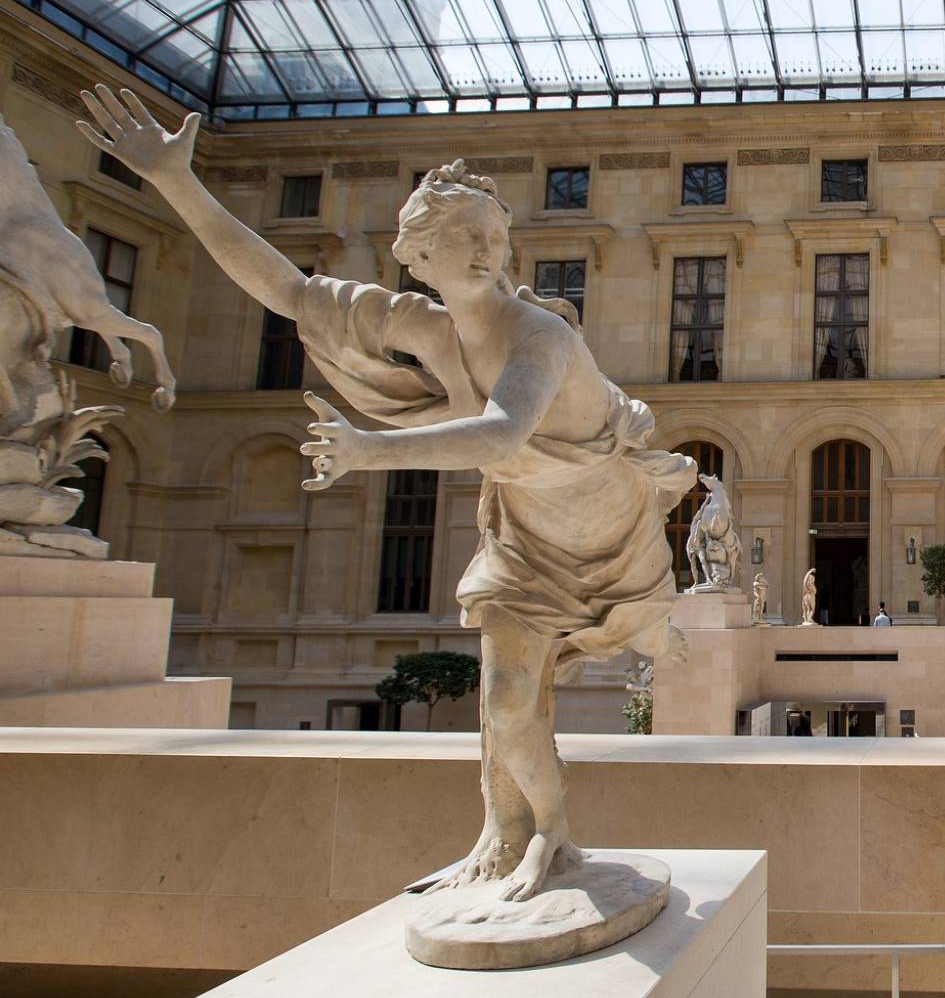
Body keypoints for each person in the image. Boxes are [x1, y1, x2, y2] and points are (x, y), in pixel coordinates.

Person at [76, 85, 697, 904]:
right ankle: (531, 833)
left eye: (494, 237)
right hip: (522, 536)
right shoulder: (425, 328)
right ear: (419, 254)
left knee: (623, 651)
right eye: (462, 238)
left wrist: (371, 449)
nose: (484, 252)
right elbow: (288, 291)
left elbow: (503, 436)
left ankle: (640, 657)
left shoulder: (540, 334)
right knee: (508, 702)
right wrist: (178, 184)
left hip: (609, 528)